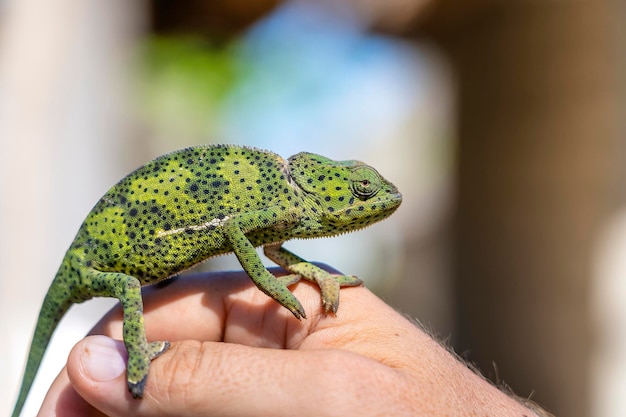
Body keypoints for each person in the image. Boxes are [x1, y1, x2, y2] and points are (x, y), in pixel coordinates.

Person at [37, 267, 551, 416]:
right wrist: (270, 285)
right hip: (106, 259)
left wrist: (303, 274)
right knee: (130, 286)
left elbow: (269, 246)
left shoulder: (286, 207)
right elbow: (245, 238)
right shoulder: (278, 197)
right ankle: (138, 356)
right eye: (356, 194)